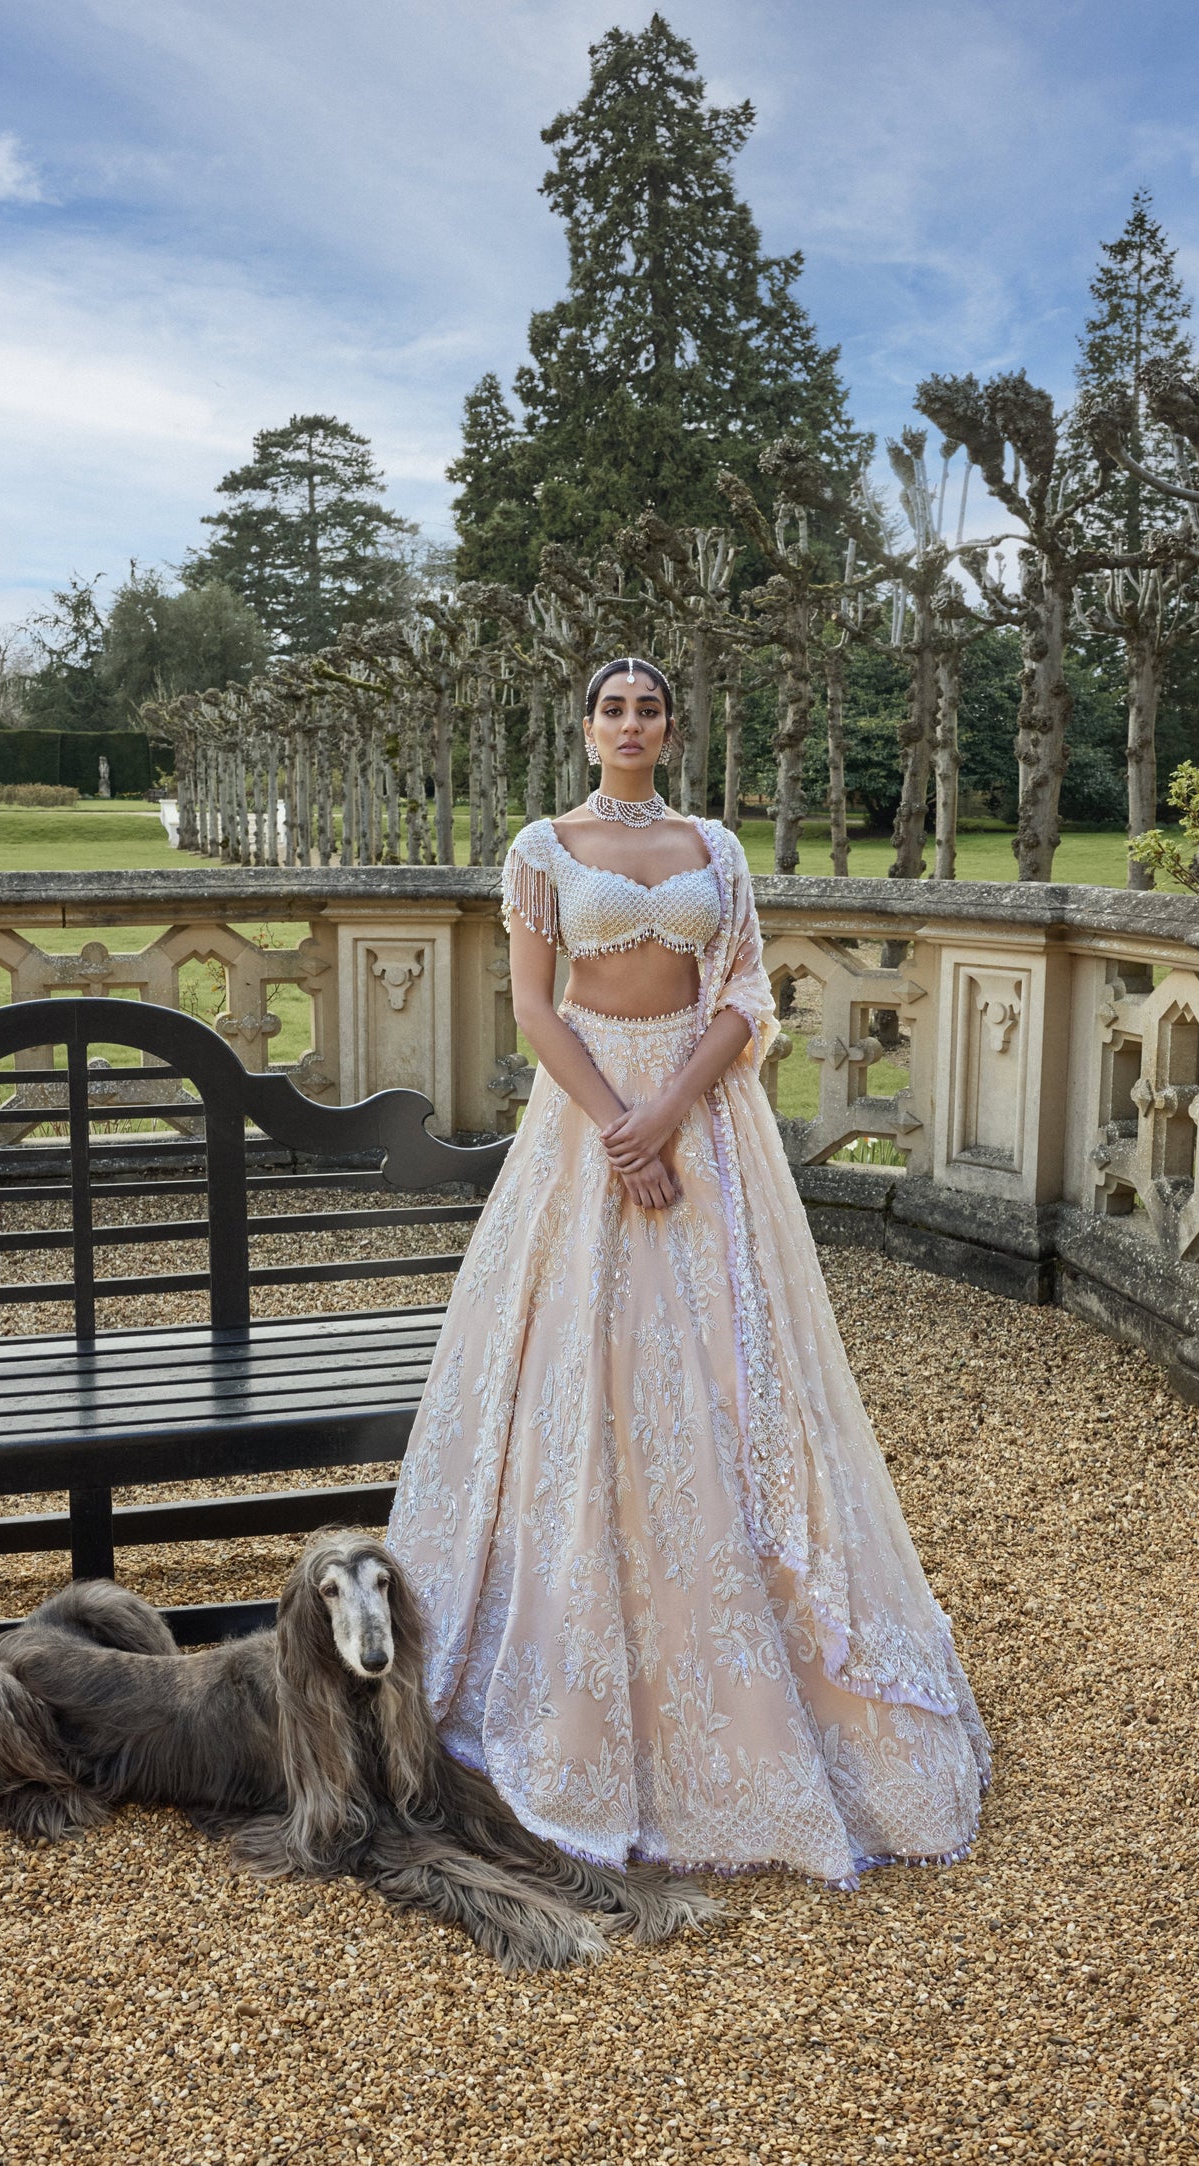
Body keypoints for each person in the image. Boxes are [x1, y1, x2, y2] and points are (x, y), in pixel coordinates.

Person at [386, 658, 990, 1882]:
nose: (629, 724)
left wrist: (665, 1116)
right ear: (585, 726)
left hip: (705, 1128)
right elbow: (535, 1008)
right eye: (611, 708)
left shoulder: (714, 842)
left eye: (647, 709)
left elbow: (745, 991)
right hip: (584, 1126)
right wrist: (617, 1129)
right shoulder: (540, 846)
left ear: (670, 726)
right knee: (582, 1376)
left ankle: (778, 1650)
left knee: (733, 1375)